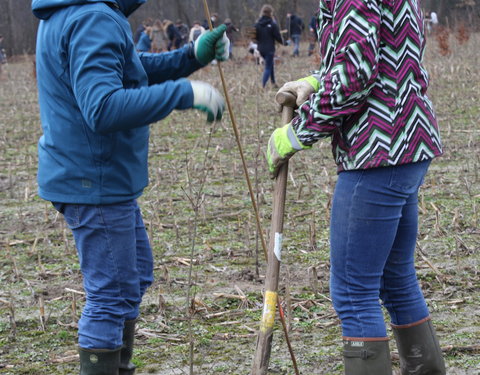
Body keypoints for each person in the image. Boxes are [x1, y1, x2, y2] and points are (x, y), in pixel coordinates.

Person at [32, 0, 230, 373]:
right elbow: (103, 107)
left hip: (93, 176)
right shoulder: (93, 17)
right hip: (95, 180)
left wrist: (190, 56)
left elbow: (130, 68)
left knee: (135, 273)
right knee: (110, 294)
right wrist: (183, 94)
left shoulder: (79, 10)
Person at [268, 1, 445, 374]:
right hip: (408, 144)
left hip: (378, 151)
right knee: (396, 279)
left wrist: (296, 134)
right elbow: (388, 50)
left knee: (353, 292)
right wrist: (316, 81)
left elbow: (355, 73)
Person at [255, 5, 283, 89]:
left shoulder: (257, 24)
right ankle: (262, 86)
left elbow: (254, 36)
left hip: (260, 49)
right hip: (269, 49)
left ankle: (273, 83)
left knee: (271, 65)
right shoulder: (272, 24)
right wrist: (283, 42)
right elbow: (278, 37)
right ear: (271, 13)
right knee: (267, 67)